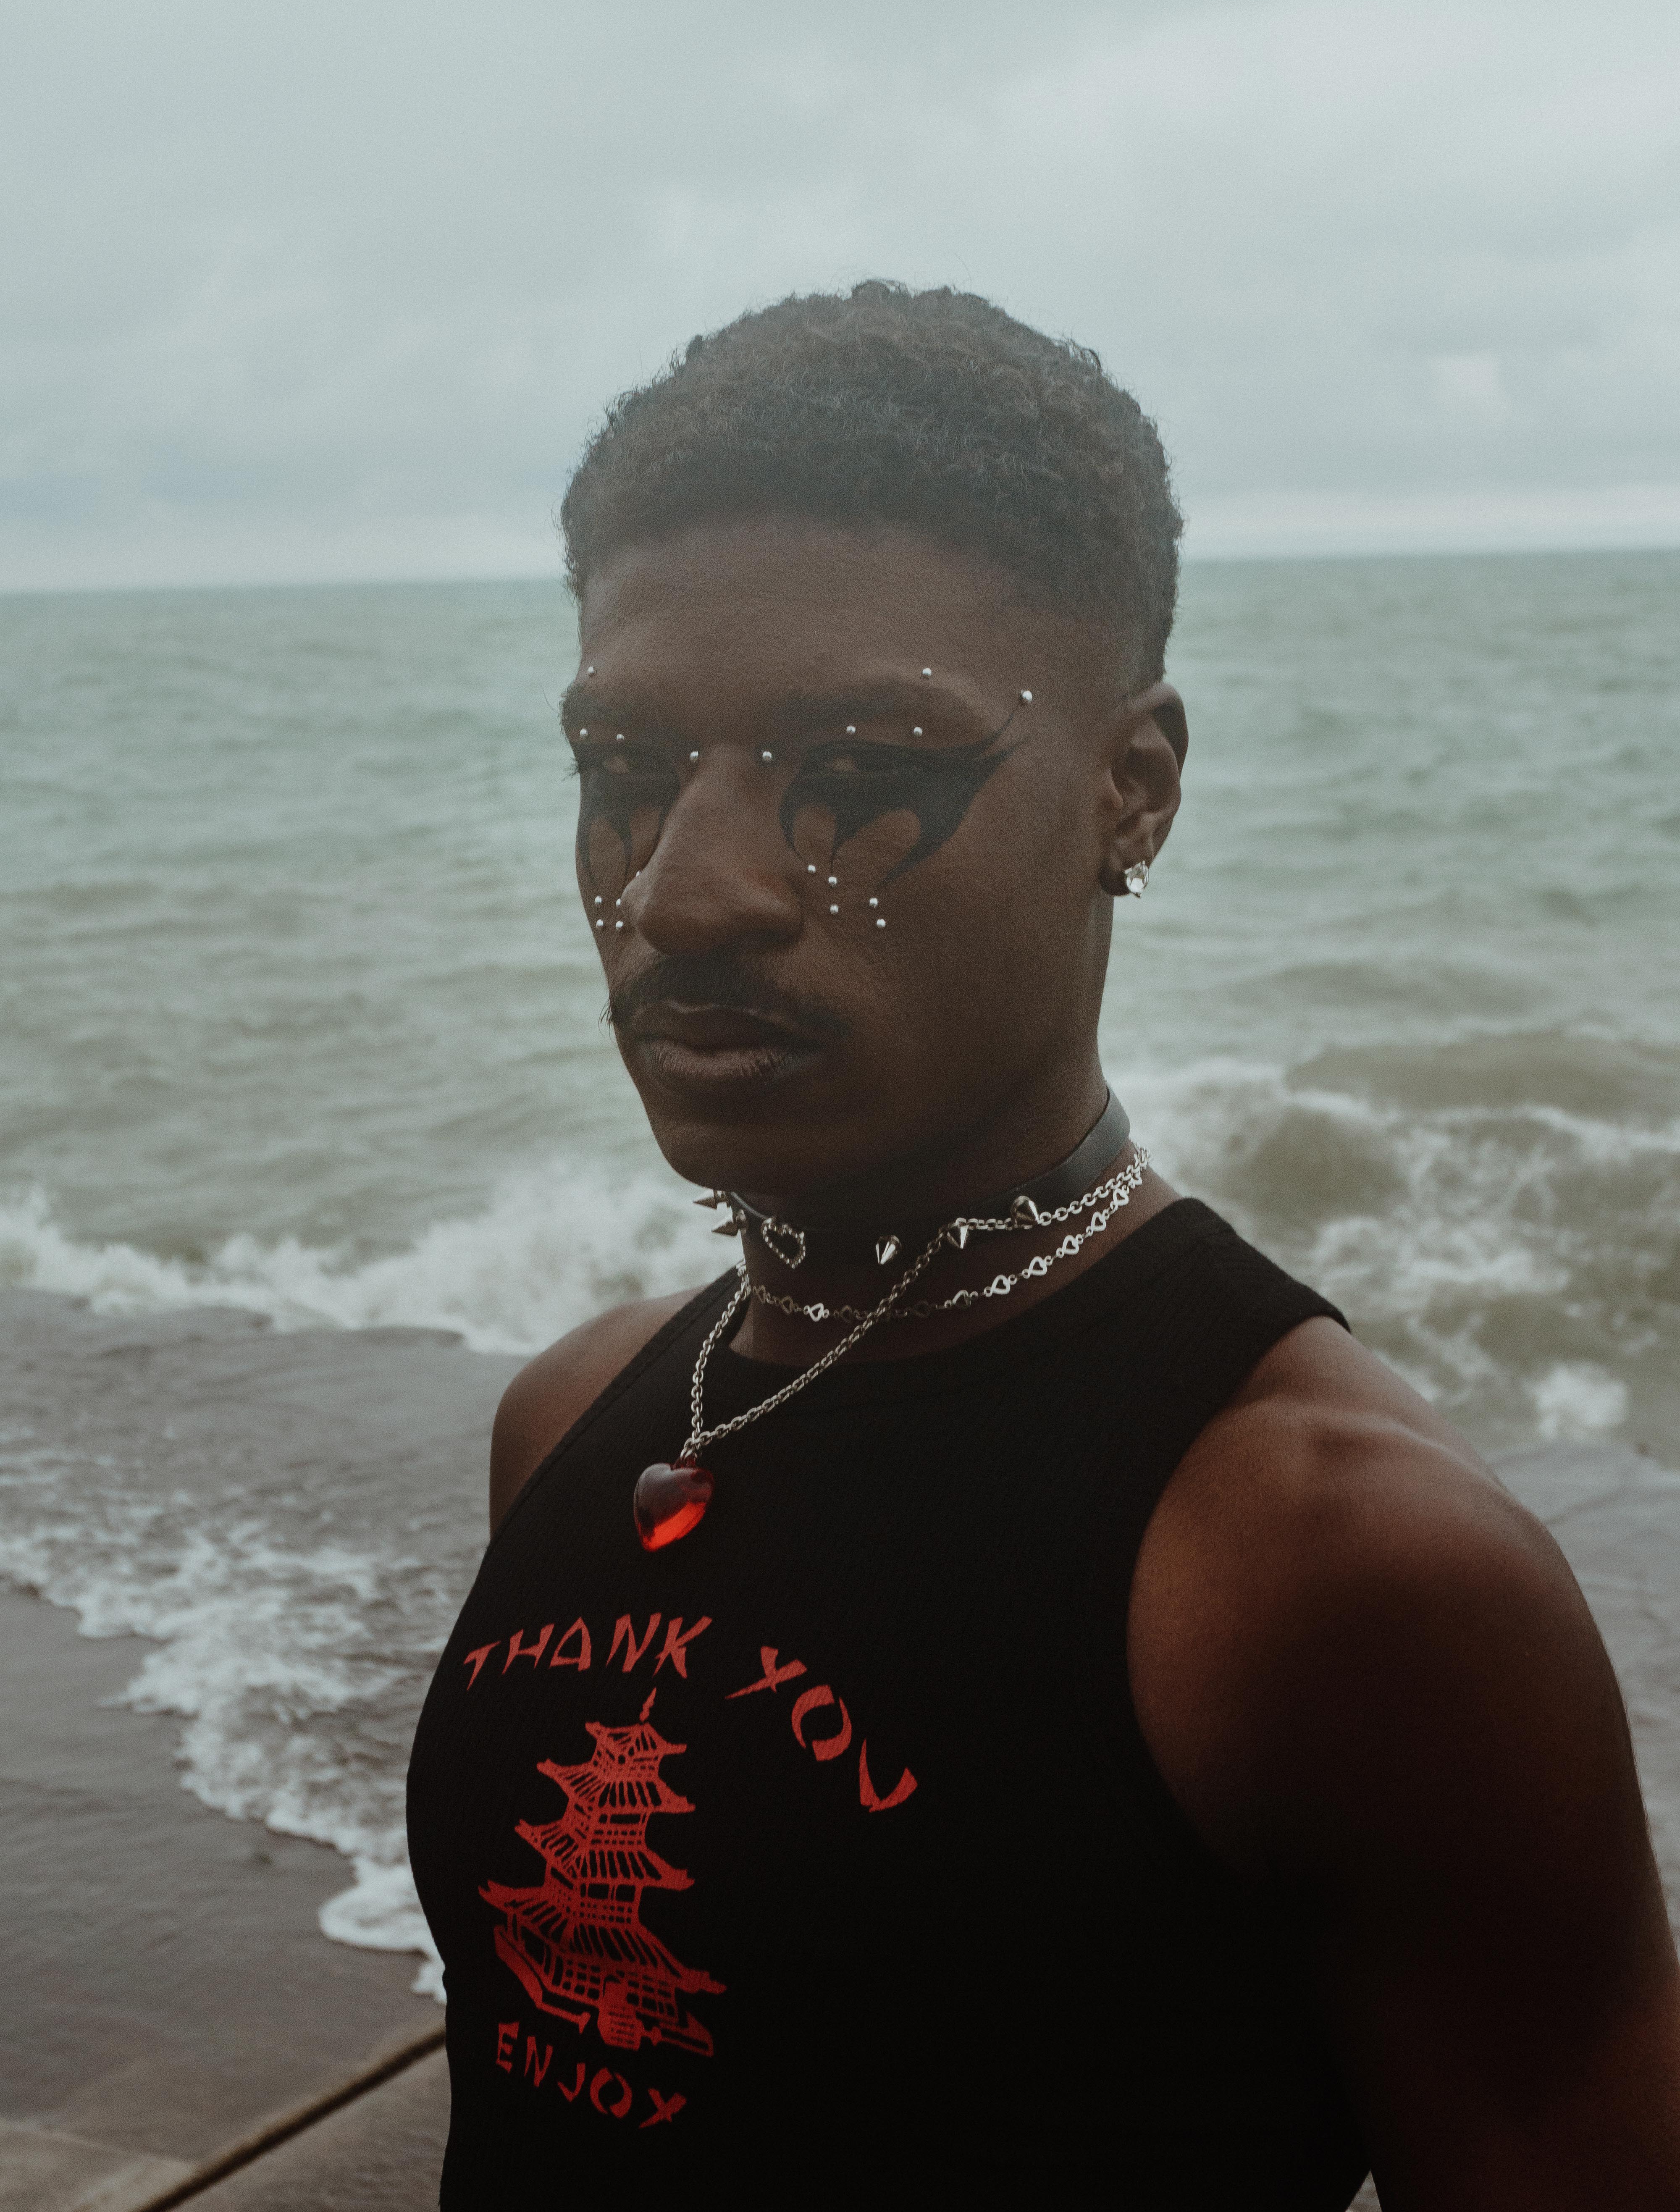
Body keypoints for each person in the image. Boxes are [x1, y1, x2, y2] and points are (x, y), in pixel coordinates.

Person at [407, 282, 1680, 2207]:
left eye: (860, 767)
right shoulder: (576, 1414)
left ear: (1129, 788)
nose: (685, 892)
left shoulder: (1319, 1569)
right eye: (627, 771)